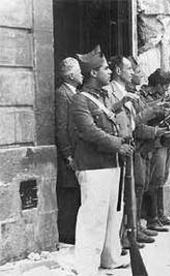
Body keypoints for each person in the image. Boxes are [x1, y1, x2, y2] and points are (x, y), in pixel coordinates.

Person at [70, 45, 134, 275]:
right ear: (93, 73)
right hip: (93, 166)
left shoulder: (101, 97)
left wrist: (121, 104)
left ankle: (110, 258)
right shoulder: (80, 100)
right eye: (106, 69)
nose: (110, 72)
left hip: (112, 164)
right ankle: (86, 265)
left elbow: (107, 119)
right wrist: (119, 144)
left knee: (112, 215)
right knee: (93, 216)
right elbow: (90, 131)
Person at [106, 55, 166, 246]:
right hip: (124, 146)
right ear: (118, 71)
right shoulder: (111, 92)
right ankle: (125, 235)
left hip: (132, 145)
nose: (132, 73)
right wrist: (152, 114)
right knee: (127, 192)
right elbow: (128, 122)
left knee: (137, 187)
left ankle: (132, 231)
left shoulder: (125, 92)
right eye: (129, 69)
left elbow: (132, 119)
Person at [141, 68, 170, 232]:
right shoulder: (144, 96)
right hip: (153, 140)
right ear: (157, 84)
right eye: (164, 85)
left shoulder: (161, 96)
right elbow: (143, 116)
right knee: (155, 177)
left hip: (164, 139)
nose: (166, 89)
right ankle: (151, 218)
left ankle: (160, 214)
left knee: (163, 177)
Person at [55, 57, 83, 244]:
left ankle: (74, 233)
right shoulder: (62, 94)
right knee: (70, 193)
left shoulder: (73, 92)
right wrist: (68, 155)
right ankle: (68, 234)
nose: (82, 75)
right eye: (79, 71)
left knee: (76, 192)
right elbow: (61, 127)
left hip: (78, 152)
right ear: (71, 75)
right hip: (70, 155)